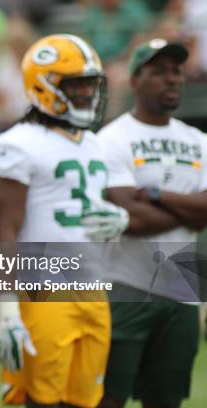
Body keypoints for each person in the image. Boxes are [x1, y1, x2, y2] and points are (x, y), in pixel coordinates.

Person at [0, 34, 128, 407]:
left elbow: (89, 214)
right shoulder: (16, 143)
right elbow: (4, 230)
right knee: (40, 399)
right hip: (44, 292)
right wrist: (8, 309)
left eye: (90, 83)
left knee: (86, 399)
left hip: (95, 290)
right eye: (75, 84)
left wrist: (119, 221)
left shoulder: (94, 142)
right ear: (43, 86)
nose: (86, 93)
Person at [97, 39, 206, 408]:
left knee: (167, 400)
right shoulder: (111, 139)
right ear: (135, 81)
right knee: (107, 397)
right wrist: (187, 205)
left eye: (176, 71)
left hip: (185, 286)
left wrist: (157, 195)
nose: (171, 79)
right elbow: (130, 218)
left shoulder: (198, 141)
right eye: (158, 72)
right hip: (123, 284)